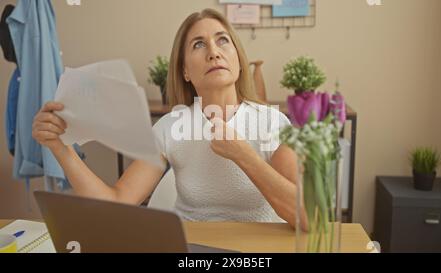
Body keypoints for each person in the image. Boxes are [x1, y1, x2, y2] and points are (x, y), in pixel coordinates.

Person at [32, 9, 308, 230]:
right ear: (186, 71)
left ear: (237, 58)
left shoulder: (274, 124)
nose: (214, 51)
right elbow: (115, 204)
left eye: (223, 40)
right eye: (199, 44)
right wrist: (60, 148)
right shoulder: (169, 128)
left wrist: (243, 155)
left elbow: (304, 216)